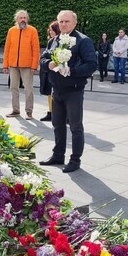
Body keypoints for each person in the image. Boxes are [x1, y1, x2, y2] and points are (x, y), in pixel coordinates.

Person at [39, 10, 98, 173]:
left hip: (74, 90)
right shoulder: (54, 40)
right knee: (57, 124)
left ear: (74, 23)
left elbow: (92, 64)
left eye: (67, 21)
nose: (63, 24)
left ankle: (75, 160)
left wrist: (72, 71)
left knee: (75, 126)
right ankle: (58, 155)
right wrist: (48, 64)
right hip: (56, 89)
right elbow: (42, 59)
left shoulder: (83, 41)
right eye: (61, 21)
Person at [2, 10, 40, 119]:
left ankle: (29, 111)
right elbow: (7, 48)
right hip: (13, 64)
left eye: (24, 18)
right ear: (16, 19)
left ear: (27, 19)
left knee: (28, 89)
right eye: (21, 18)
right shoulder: (11, 31)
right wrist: (5, 65)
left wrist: (34, 65)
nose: (23, 19)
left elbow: (36, 49)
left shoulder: (32, 30)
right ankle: (15, 110)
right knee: (13, 87)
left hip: (27, 65)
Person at [39, 21, 60, 122]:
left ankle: (59, 114)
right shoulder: (51, 41)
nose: (50, 32)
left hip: (56, 72)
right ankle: (50, 112)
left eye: (52, 30)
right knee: (49, 93)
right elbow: (45, 55)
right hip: (48, 71)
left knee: (55, 94)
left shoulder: (62, 42)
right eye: (50, 30)